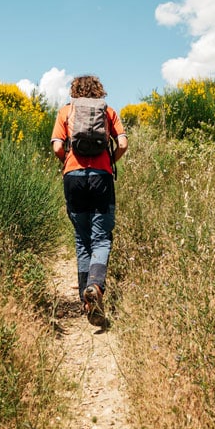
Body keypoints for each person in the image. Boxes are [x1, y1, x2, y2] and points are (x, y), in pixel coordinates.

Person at [51, 75, 128, 327]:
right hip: (101, 178)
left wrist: (67, 163)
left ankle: (87, 298)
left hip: (73, 178)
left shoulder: (66, 111)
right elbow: (123, 144)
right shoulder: (108, 111)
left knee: (82, 239)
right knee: (101, 237)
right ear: (98, 91)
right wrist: (109, 161)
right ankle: (95, 285)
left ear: (75, 91)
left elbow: (56, 147)